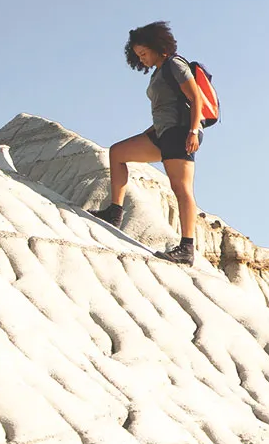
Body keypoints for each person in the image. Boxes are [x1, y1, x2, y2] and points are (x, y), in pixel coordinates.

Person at [89, 22, 210, 265]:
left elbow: (195, 97)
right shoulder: (159, 71)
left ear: (158, 47)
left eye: (144, 53)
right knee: (118, 153)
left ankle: (187, 248)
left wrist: (194, 131)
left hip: (180, 133)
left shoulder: (175, 64)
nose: (141, 59)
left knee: (181, 188)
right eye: (137, 56)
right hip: (161, 133)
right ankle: (114, 213)